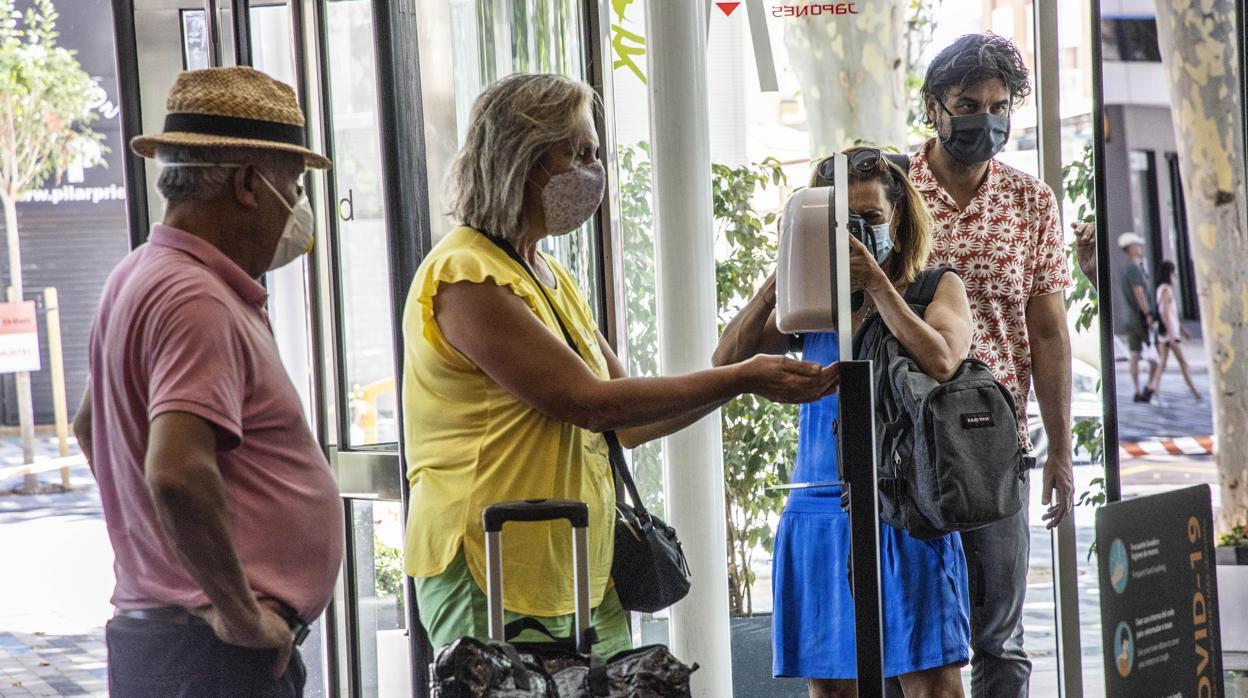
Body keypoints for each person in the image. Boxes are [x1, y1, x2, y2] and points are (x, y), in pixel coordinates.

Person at [401, 73, 839, 657]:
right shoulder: (466, 275)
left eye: (595, 154)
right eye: (578, 153)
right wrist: (741, 376)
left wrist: (743, 379)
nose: (593, 170)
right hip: (492, 558)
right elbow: (589, 403)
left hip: (577, 559)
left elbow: (626, 419)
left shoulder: (547, 274)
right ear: (523, 158)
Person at [71, 67, 342, 697]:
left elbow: (94, 427)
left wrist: (164, 561)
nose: (298, 210)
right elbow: (176, 471)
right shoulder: (197, 298)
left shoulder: (140, 273)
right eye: (293, 186)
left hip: (179, 641)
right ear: (248, 183)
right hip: (211, 655)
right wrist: (238, 612)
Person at [715, 147, 974, 698]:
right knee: (833, 689)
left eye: (871, 219)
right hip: (820, 511)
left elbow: (942, 359)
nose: (856, 233)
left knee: (933, 685)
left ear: (899, 219)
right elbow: (725, 364)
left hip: (905, 508)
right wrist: (784, 271)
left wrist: (879, 285)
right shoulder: (807, 306)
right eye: (842, 222)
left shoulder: (934, 287)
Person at [898, 34, 1075, 697]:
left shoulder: (1031, 201)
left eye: (1000, 106)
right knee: (910, 633)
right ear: (934, 107)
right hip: (907, 442)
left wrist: (1058, 450)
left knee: (999, 639)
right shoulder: (894, 191)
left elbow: (1049, 331)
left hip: (995, 447)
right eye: (968, 103)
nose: (985, 119)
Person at [1148, 261, 1201, 402]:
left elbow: (1171, 315)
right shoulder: (1166, 290)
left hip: (1166, 333)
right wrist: (1172, 335)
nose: (1175, 275)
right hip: (1170, 334)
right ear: (1169, 274)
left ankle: (1156, 390)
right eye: (1173, 273)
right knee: (1184, 363)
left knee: (1163, 363)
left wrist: (1183, 330)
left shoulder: (1161, 289)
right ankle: (1196, 393)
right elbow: (1165, 313)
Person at [1118, 232, 1161, 403]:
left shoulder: (1125, 268)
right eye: (1138, 245)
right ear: (1132, 248)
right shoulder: (1134, 268)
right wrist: (1148, 314)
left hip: (1130, 318)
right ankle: (1150, 388)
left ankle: (1137, 391)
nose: (1140, 248)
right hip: (1140, 318)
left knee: (1134, 355)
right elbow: (1139, 293)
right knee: (1155, 357)